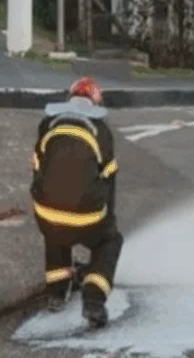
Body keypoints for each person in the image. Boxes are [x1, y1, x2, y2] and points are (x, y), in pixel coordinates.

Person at [30, 77, 123, 327]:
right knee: (109, 240)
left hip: (47, 212)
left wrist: (44, 202)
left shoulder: (48, 124)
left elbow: (38, 169)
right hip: (88, 216)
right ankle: (94, 300)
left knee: (56, 229)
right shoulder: (100, 130)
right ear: (95, 102)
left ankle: (57, 293)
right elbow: (109, 179)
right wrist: (107, 221)